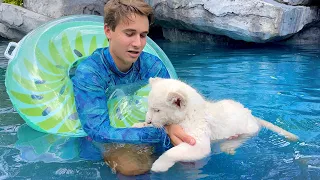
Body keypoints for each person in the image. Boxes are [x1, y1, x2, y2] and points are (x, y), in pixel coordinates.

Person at [72, 0, 196, 176]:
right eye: (130, 34)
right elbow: (98, 131)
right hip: (107, 140)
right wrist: (163, 132)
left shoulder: (152, 66)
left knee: (192, 157)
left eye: (143, 35)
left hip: (148, 128)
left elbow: (175, 111)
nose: (138, 43)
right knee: (133, 168)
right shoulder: (90, 72)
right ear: (108, 31)